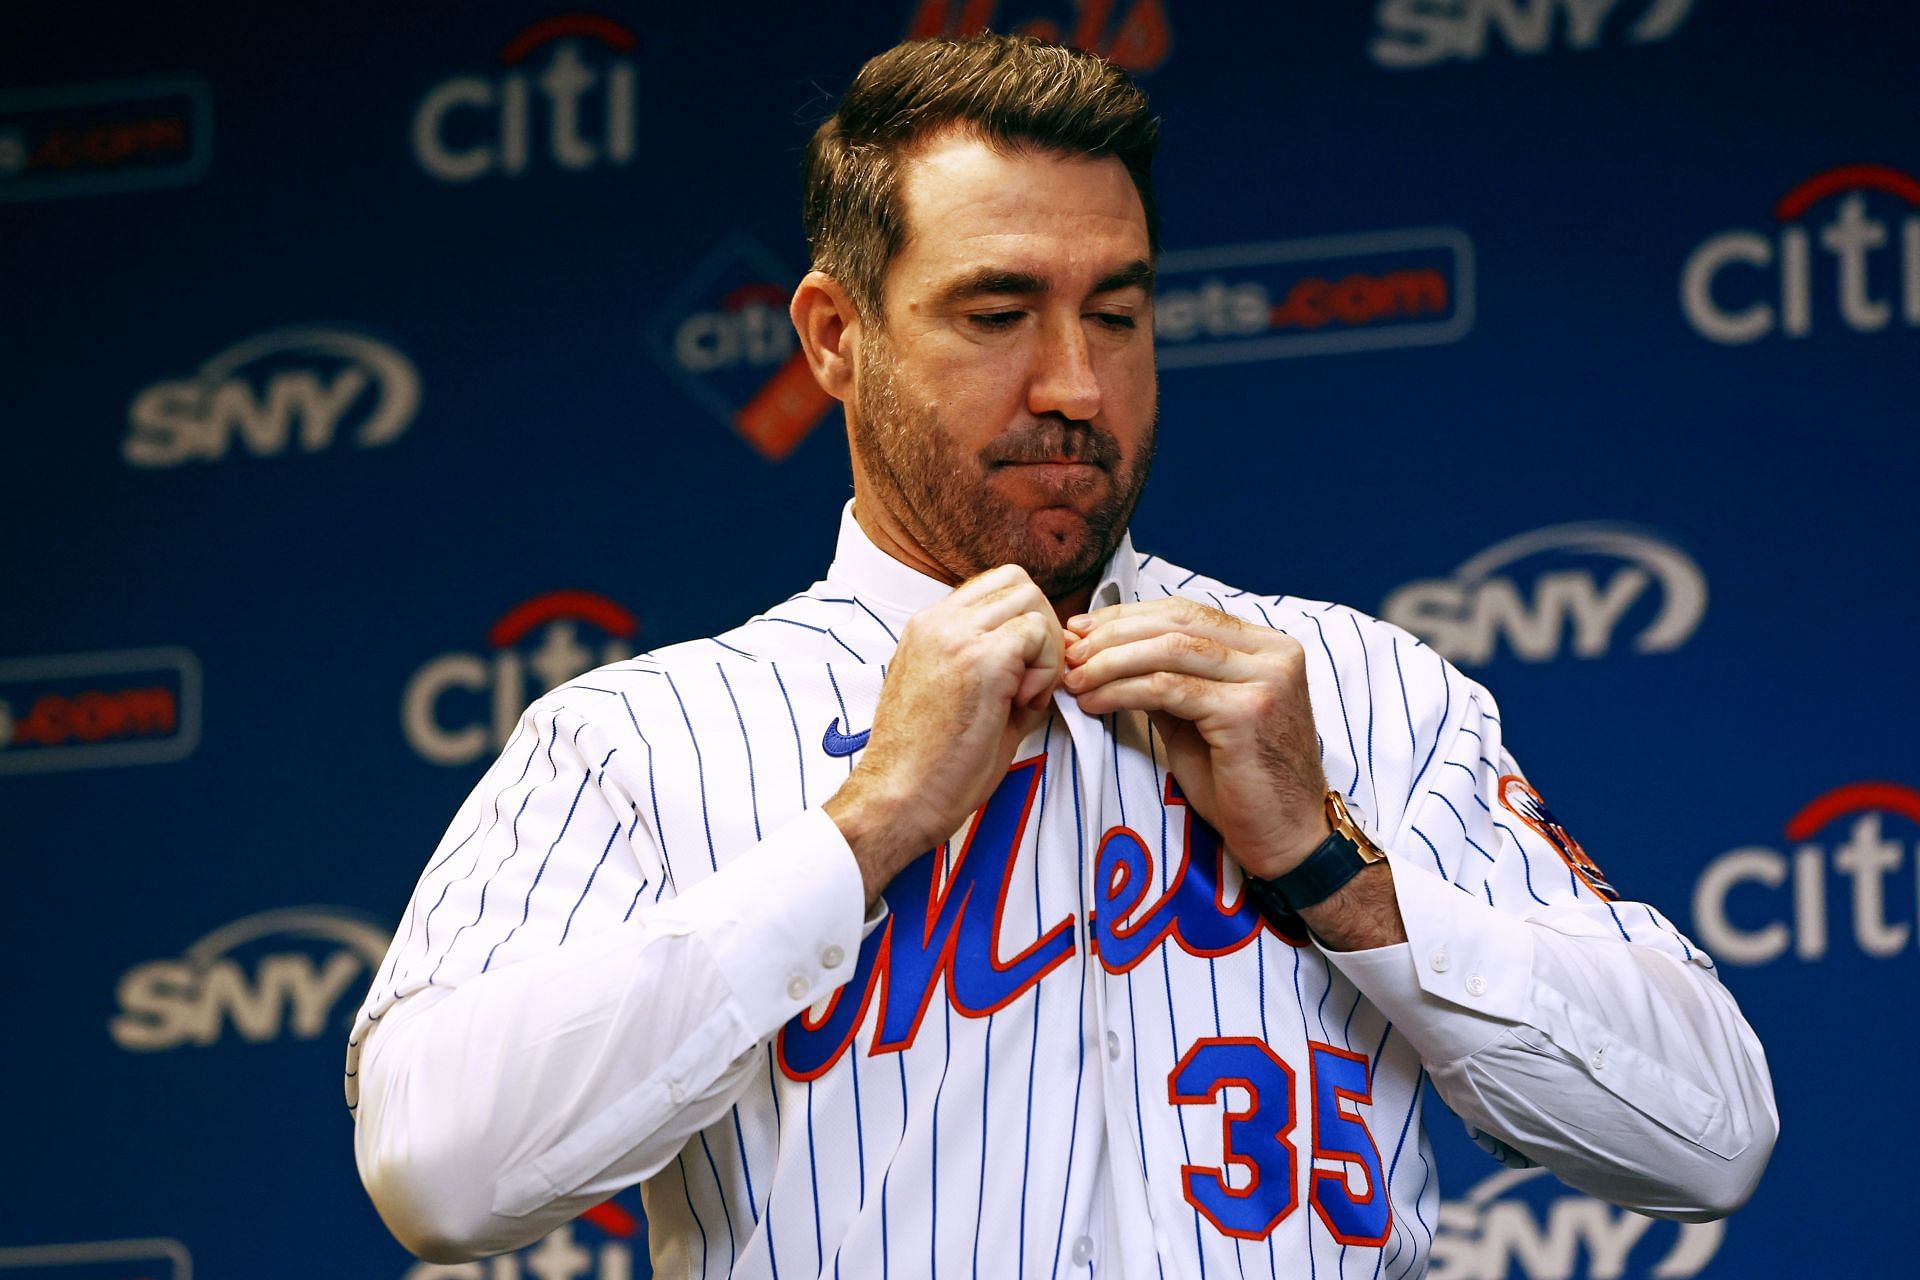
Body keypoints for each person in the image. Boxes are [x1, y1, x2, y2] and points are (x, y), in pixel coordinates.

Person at [347, 32, 1776, 1276]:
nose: (1076, 385)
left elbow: (1711, 1137)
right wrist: (867, 826)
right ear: (836, 337)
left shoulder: (1357, 690)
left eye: (1116, 313)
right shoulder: (644, 735)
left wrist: (1330, 864)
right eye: (997, 313)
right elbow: (438, 1172)